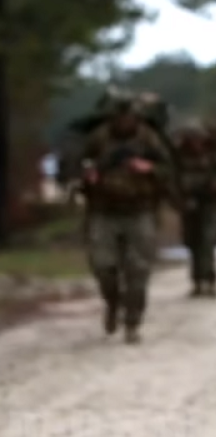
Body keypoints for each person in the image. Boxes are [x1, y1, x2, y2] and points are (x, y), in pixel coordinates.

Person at [78, 93, 176, 343]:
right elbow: (74, 165)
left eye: (129, 117)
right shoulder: (98, 137)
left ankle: (132, 322)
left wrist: (149, 168)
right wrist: (87, 175)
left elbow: (169, 169)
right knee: (103, 267)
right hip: (103, 212)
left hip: (139, 211)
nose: (124, 122)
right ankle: (113, 302)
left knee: (138, 270)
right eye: (120, 117)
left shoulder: (148, 138)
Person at [172, 119, 216, 297]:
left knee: (208, 242)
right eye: (191, 139)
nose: (195, 143)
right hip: (189, 205)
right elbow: (171, 179)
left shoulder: (214, 155)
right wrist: (180, 198)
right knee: (193, 243)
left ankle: (210, 280)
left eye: (198, 138)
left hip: (209, 204)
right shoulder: (178, 156)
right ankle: (197, 281)